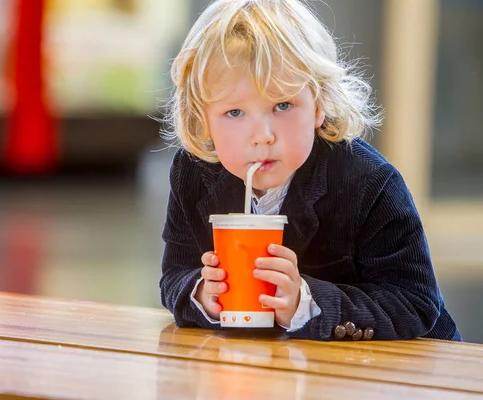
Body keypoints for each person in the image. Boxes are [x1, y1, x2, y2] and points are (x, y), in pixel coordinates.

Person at [159, 0, 461, 341]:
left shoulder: (369, 182)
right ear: (202, 120)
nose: (262, 136)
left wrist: (306, 303)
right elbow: (175, 276)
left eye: (282, 105)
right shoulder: (194, 173)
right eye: (234, 113)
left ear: (319, 104)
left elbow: (415, 303)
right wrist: (202, 295)